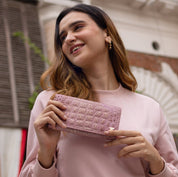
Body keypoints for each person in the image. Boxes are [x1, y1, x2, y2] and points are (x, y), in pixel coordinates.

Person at [19, 4, 178, 177]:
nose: (68, 39)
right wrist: (46, 153)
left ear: (107, 34)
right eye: (62, 37)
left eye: (78, 27)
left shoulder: (150, 108)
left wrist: (156, 161)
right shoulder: (52, 102)